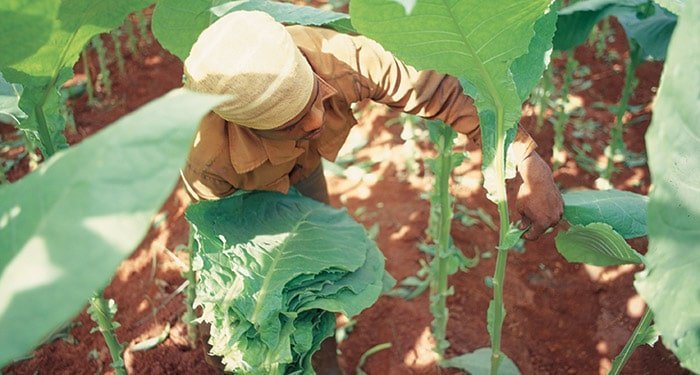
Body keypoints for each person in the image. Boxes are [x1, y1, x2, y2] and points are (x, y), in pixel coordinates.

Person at [181, 10, 563, 375]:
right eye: (294, 123)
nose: (317, 120)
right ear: (252, 128)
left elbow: (442, 92)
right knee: (249, 306)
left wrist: (526, 160)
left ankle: (326, 364)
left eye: (315, 97)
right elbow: (222, 253)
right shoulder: (209, 161)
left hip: (304, 167)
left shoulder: (334, 58)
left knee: (317, 282)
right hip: (239, 202)